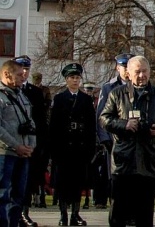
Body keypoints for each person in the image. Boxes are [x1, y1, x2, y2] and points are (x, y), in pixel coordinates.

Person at [100, 55, 155, 227]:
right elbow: (104, 119)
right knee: (118, 210)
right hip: (123, 160)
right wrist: (124, 124)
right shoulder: (117, 94)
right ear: (128, 73)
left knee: (144, 211)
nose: (141, 75)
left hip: (149, 159)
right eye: (137, 72)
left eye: (145, 71)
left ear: (150, 72)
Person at [49, 63, 96, 227]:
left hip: (80, 147)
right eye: (72, 78)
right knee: (63, 184)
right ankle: (63, 214)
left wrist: (91, 148)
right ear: (66, 79)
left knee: (78, 183)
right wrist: (53, 150)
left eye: (77, 78)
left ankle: (75, 214)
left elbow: (91, 126)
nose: (75, 81)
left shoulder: (86, 99)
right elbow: (53, 126)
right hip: (63, 148)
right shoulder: (59, 98)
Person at [0, 59, 35, 227]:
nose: (23, 77)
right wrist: (16, 146)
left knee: (18, 195)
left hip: (23, 154)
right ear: (7, 74)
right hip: (5, 154)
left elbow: (31, 122)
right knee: (2, 195)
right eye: (19, 74)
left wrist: (30, 146)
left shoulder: (21, 95)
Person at [15, 56, 49, 227]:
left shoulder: (35, 93)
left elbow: (41, 121)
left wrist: (40, 145)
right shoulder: (9, 90)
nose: (25, 72)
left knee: (28, 181)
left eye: (27, 69)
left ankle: (24, 213)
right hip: (12, 144)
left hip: (31, 145)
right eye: (22, 68)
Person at [95, 53, 131, 209]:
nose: (126, 70)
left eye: (128, 66)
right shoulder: (109, 87)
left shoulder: (137, 85)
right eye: (123, 67)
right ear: (118, 68)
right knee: (113, 175)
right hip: (113, 138)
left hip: (132, 138)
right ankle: (114, 204)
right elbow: (101, 114)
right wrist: (104, 138)